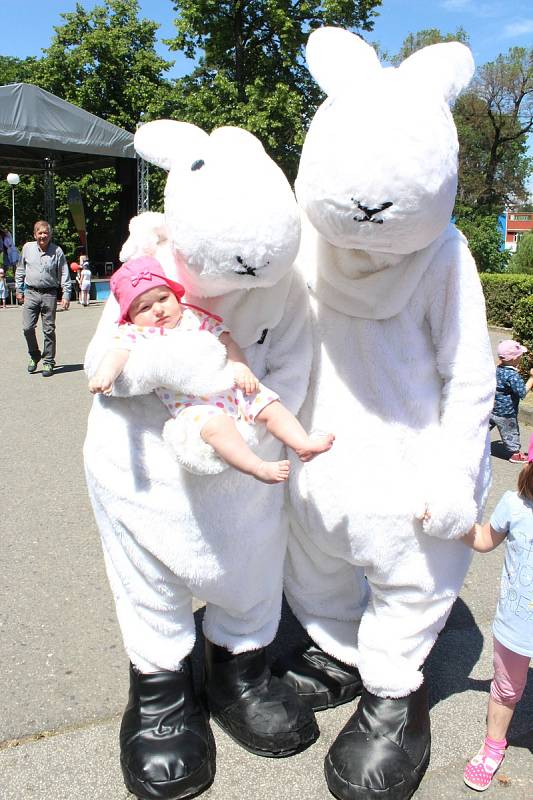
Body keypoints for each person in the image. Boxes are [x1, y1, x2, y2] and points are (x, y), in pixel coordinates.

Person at [88, 257, 334, 483]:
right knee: (217, 429)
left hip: (230, 386)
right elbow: (117, 353)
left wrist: (241, 367)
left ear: (175, 295)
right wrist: (106, 375)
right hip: (194, 406)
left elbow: (227, 341)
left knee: (270, 404)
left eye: (163, 299)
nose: (158, 310)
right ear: (129, 317)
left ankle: (302, 443)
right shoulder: (135, 332)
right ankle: (257, 467)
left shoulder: (192, 316)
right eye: (144, 308)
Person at [461, 432, 533, 791]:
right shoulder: (515, 505)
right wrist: (452, 521)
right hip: (517, 627)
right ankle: (493, 746)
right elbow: (484, 539)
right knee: (506, 689)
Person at [15, 220, 71, 377]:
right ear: (35, 234)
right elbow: (20, 269)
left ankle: (48, 361)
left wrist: (66, 294)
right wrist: (19, 290)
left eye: (46, 233)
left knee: (49, 330)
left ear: (50, 234)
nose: (43, 235)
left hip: (49, 294)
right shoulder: (27, 248)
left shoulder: (57, 251)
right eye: (40, 233)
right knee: (27, 327)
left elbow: (64, 273)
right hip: (30, 293)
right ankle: (34, 354)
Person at [490, 339, 533, 464]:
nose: (521, 358)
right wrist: (531, 378)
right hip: (506, 412)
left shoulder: (497, 369)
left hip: (492, 408)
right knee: (511, 433)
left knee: (483, 429)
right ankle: (515, 454)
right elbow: (522, 393)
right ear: (514, 359)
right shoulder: (513, 376)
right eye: (520, 356)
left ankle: (473, 444)